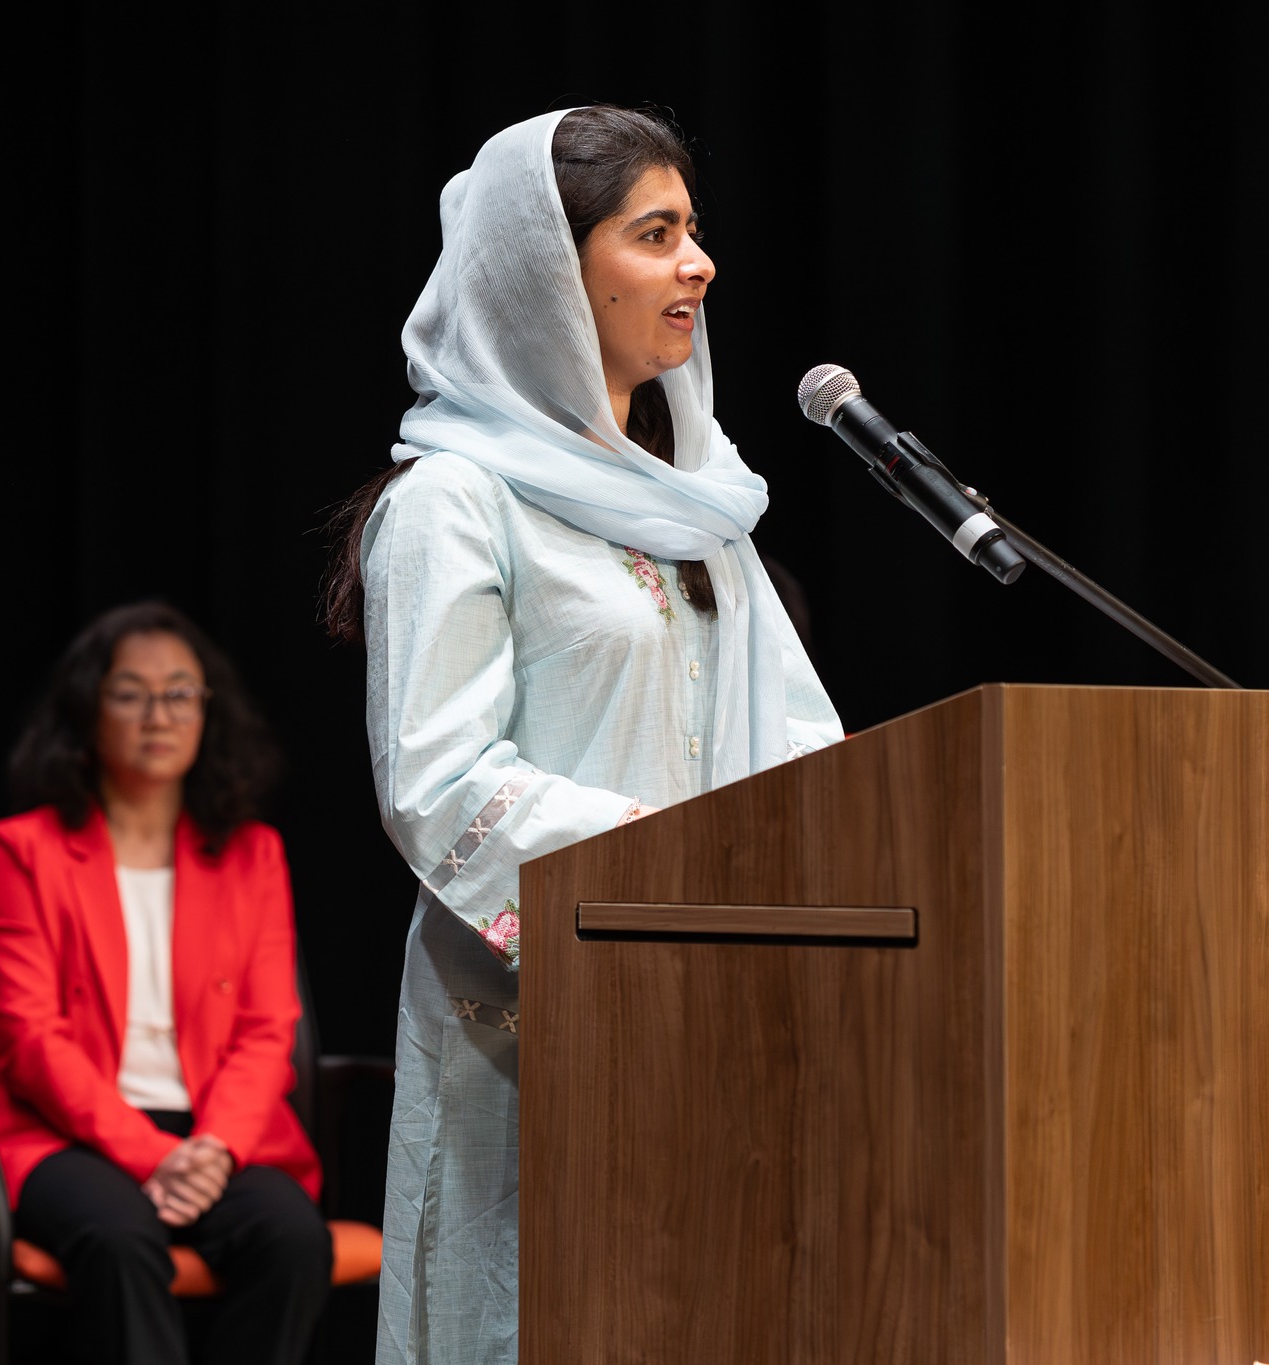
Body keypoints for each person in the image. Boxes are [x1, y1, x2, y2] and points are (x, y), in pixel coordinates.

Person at [323, 107, 845, 1365]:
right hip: (535, 1033)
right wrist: (686, 867)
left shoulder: (701, 507)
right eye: (654, 233)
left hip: (723, 1024)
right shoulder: (455, 500)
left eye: (693, 231)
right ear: (554, 272)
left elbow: (804, 756)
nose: (696, 266)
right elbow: (441, 781)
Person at [0, 602, 331, 1365]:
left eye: (180, 692)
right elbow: (31, 1040)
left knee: (292, 1239)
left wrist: (215, 1148)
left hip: (215, 1131)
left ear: (208, 711)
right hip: (65, 1135)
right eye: (130, 692)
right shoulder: (24, 850)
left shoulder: (251, 854)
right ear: (88, 710)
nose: (157, 713)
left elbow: (270, 1030)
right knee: (120, 1237)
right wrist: (148, 1153)